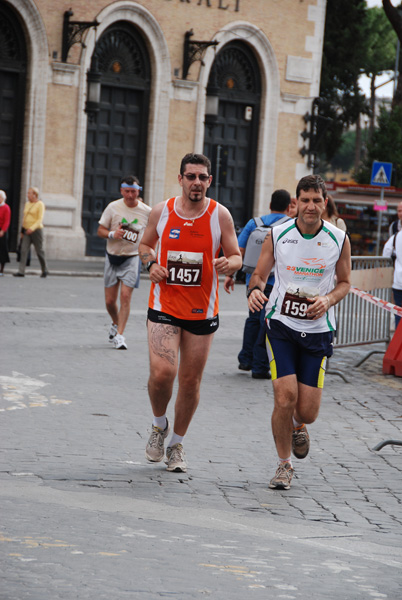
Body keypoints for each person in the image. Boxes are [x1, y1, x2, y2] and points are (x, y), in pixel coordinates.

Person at [139, 153, 242, 473]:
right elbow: (145, 246)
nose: (196, 183)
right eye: (191, 176)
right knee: (161, 375)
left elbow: (236, 255)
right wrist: (151, 264)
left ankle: (176, 444)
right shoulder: (162, 211)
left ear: (209, 181)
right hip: (164, 306)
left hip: (201, 311)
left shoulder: (219, 215)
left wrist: (229, 264)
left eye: (202, 177)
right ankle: (159, 426)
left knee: (189, 381)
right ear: (181, 179)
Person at [248, 174, 351, 490]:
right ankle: (283, 465)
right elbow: (258, 275)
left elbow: (345, 282)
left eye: (316, 200)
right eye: (304, 200)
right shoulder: (277, 235)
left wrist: (328, 299)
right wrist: (254, 291)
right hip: (281, 326)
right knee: (285, 396)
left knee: (308, 410)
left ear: (325, 203)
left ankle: (298, 425)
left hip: (317, 332)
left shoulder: (338, 239)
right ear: (296, 203)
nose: (310, 206)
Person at [224, 189, 291, 379]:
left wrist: (231, 274)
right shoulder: (290, 225)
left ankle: (246, 359)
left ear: (270, 205)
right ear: (289, 207)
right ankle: (260, 366)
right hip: (275, 282)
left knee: (253, 319)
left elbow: (239, 251)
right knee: (266, 322)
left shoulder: (254, 223)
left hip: (252, 280)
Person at [97, 175, 151, 350]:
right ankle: (115, 321)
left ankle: (120, 335)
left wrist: (150, 252)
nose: (130, 195)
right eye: (127, 191)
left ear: (139, 191)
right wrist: (113, 234)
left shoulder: (146, 211)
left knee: (125, 297)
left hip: (132, 257)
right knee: (109, 301)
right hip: (112, 256)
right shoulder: (113, 207)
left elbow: (153, 233)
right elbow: (100, 230)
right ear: (121, 191)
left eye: (133, 191)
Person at [14, 187, 48, 278]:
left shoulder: (40, 204)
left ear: (34, 195)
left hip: (36, 230)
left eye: (29, 193)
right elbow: (24, 217)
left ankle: (45, 269)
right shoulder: (27, 204)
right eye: (28, 193)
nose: (27, 195)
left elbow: (39, 219)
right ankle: (21, 271)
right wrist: (22, 230)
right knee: (24, 250)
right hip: (26, 230)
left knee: (39, 250)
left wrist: (32, 228)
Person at [383, 229, 402, 329]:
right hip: (398, 280)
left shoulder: (396, 236)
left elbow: (386, 252)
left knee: (398, 312)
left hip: (398, 280)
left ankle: (399, 340)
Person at [0, 190, 11, 276]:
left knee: (2, 250)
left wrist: (3, 230)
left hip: (2, 230)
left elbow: (7, 221)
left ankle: (2, 269)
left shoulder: (6, 208)